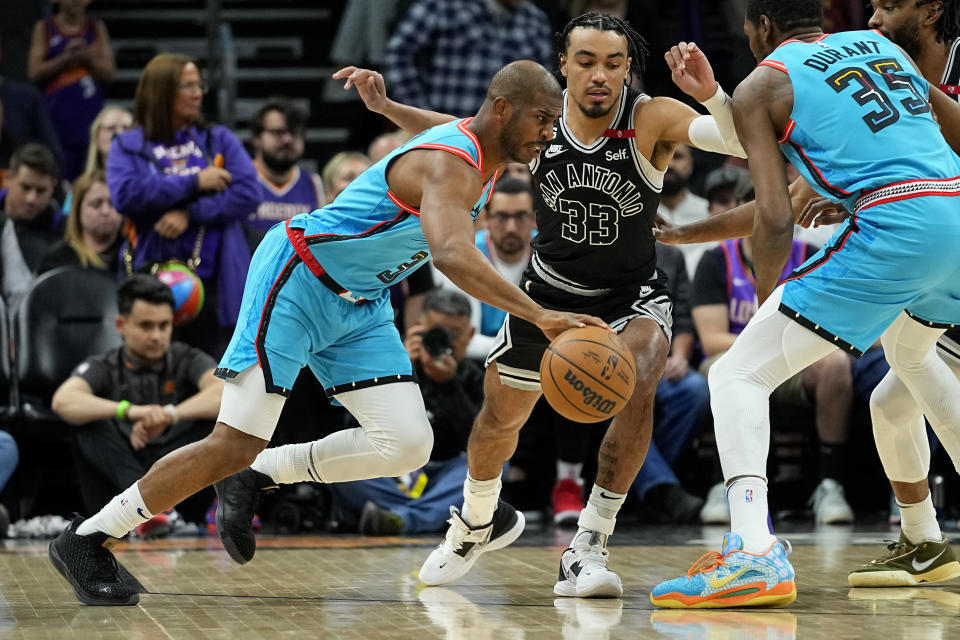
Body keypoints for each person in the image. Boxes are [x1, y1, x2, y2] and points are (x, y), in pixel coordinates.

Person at [48, 59, 603, 607]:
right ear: (503, 110)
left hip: (359, 304)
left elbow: (439, 125)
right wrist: (542, 315)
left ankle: (257, 475)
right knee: (233, 442)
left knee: (407, 443)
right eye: (544, 119)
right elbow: (452, 252)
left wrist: (387, 109)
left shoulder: (476, 141)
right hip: (298, 278)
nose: (550, 133)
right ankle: (87, 539)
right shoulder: (451, 166)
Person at [340, 11, 747, 598]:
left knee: (639, 374)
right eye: (585, 62)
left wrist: (710, 95)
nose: (599, 75)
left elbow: (732, 139)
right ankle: (476, 520)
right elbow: (460, 132)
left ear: (629, 68)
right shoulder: (543, 123)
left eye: (613, 63)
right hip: (547, 293)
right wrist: (388, 111)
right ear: (564, 66)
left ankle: (589, 544)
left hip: (630, 296)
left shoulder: (651, 117)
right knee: (498, 418)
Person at [650, 1, 960, 609]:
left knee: (740, 372)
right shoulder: (881, 49)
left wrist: (771, 309)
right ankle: (924, 540)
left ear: (759, 27)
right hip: (952, 214)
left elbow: (773, 217)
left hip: (894, 226)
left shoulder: (764, 81)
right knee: (906, 363)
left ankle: (752, 554)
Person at [690, 181, 855, 526]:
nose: (771, 218)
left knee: (837, 363)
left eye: (778, 210)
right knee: (720, 370)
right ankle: (724, 485)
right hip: (734, 355)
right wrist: (767, 343)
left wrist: (778, 346)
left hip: (790, 358)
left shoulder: (808, 255)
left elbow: (824, 325)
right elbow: (711, 339)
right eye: (761, 211)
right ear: (744, 215)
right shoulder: (716, 259)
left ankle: (830, 484)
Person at [107, 53, 260, 359]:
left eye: (198, 84)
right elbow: (126, 194)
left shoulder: (217, 139)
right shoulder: (128, 144)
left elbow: (248, 193)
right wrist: (194, 183)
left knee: (215, 374)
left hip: (215, 281)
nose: (198, 92)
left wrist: (190, 213)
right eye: (187, 85)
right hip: (152, 278)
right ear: (161, 91)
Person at [51, 274, 223, 537]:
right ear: (121, 325)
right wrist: (129, 410)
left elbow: (225, 393)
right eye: (146, 326)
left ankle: (159, 513)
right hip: (117, 483)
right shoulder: (105, 364)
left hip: (176, 481)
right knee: (87, 422)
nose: (156, 335)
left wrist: (170, 414)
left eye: (164, 326)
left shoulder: (186, 357)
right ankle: (152, 512)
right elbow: (63, 400)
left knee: (218, 420)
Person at [332, 289, 484, 535]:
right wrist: (399, 371)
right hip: (389, 472)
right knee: (339, 463)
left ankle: (402, 518)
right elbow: (354, 427)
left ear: (470, 336)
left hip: (444, 475)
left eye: (453, 334)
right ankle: (426, 515)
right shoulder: (388, 363)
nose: (443, 341)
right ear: (418, 328)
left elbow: (476, 441)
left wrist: (449, 386)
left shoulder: (473, 377)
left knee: (492, 463)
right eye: (436, 332)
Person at [384, 0, 553, 117]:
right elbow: (398, 55)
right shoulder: (443, 6)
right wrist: (419, 111)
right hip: (440, 131)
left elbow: (540, 84)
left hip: (502, 141)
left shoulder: (534, 21)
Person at [27, 0, 114, 180]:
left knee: (91, 174)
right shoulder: (45, 28)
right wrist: (66, 58)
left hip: (90, 117)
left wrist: (87, 58)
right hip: (57, 119)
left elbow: (109, 72)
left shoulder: (96, 27)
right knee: (59, 173)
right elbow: (34, 72)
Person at [246, 97, 325, 249]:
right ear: (256, 138)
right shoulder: (239, 180)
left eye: (294, 133)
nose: (288, 139)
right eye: (278, 132)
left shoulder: (314, 183)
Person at [0, 142, 61, 312]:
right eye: (25, 187)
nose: (31, 199)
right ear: (7, 179)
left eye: (40, 190)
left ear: (52, 188)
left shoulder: (60, 227)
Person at [38, 171, 124, 274]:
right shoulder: (58, 259)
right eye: (96, 204)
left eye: (113, 203)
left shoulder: (131, 257)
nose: (105, 211)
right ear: (77, 210)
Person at [656, 143, 712, 276]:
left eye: (677, 157)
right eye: (663, 156)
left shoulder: (708, 212)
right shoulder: (637, 212)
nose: (670, 165)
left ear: (690, 164)